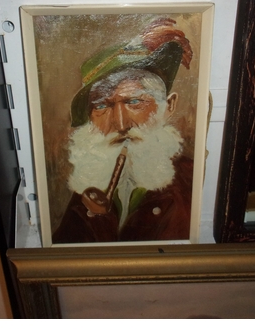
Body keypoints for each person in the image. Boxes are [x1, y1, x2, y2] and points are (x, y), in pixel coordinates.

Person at [52, 18, 194, 243]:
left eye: (135, 102)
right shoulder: (89, 184)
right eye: (101, 105)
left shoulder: (190, 184)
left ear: (168, 106)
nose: (120, 124)